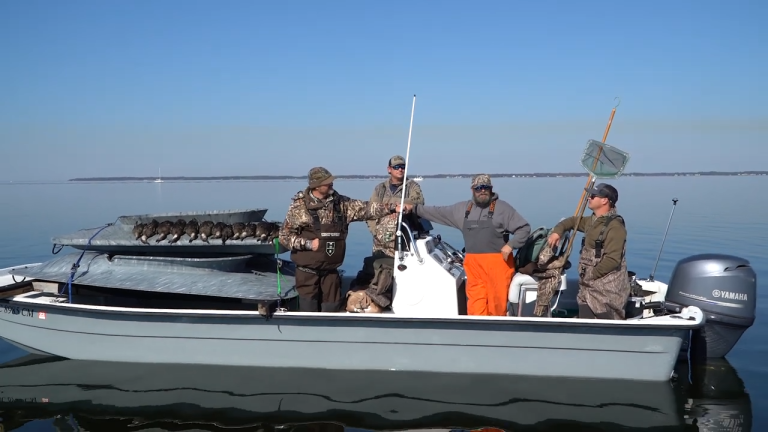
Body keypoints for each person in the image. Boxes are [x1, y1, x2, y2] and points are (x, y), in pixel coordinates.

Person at [278, 167, 408, 313]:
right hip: (307, 273)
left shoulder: (341, 203)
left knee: (332, 309)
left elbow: (366, 209)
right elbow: (284, 236)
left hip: (331, 271)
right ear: (316, 185)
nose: (331, 184)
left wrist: (392, 208)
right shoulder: (299, 206)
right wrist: (308, 244)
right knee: (309, 310)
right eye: (327, 182)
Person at [403, 174, 531, 316]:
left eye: (486, 187)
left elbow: (524, 229)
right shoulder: (463, 209)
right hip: (474, 266)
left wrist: (511, 245)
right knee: (476, 307)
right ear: (472, 189)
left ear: (491, 189)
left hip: (498, 265)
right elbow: (438, 212)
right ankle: (477, 334)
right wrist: (413, 208)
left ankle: (497, 334)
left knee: (497, 307)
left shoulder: (503, 208)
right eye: (478, 188)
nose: (482, 190)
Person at [348, 155, 425, 312]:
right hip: (380, 242)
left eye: (402, 166)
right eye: (396, 167)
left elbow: (417, 203)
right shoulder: (380, 188)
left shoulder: (412, 186)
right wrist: (375, 231)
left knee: (399, 272)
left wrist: (404, 208)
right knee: (378, 268)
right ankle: (373, 298)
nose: (400, 169)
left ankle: (398, 303)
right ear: (389, 169)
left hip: (402, 241)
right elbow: (370, 211)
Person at [546, 183, 630, 320]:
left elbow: (613, 259)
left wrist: (592, 275)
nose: (588, 198)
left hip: (606, 288)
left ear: (605, 200)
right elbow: (571, 221)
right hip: (587, 287)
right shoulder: (591, 221)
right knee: (586, 321)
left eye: (593, 196)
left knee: (606, 324)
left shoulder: (615, 227)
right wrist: (557, 232)